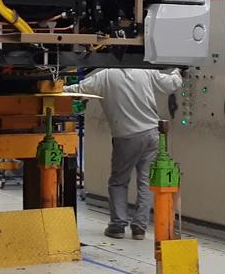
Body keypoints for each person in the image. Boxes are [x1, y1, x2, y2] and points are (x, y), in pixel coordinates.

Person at [77, 66, 182, 239]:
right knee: (146, 181)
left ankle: (117, 226)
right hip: (151, 134)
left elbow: (78, 89)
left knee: (119, 181)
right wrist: (177, 70)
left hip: (126, 137)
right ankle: (139, 228)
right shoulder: (146, 71)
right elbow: (172, 84)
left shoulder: (105, 76)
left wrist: (51, 86)